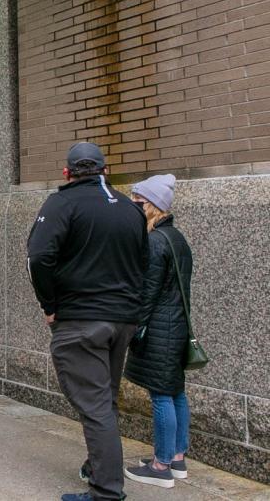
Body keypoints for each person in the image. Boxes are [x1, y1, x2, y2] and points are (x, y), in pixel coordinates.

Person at [27, 142, 148, 501]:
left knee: (95, 406)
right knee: (104, 401)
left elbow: (38, 257)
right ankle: (100, 469)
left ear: (67, 173)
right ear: (104, 170)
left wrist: (49, 304)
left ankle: (107, 491)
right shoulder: (130, 208)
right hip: (121, 320)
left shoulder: (61, 204)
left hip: (81, 319)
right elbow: (144, 262)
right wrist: (134, 310)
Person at [124, 175, 193, 489]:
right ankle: (177, 458)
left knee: (161, 395)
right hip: (177, 326)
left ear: (151, 205)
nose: (133, 207)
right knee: (176, 391)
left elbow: (147, 293)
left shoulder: (154, 242)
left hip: (160, 330)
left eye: (137, 202)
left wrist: (133, 329)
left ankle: (161, 466)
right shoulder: (177, 238)